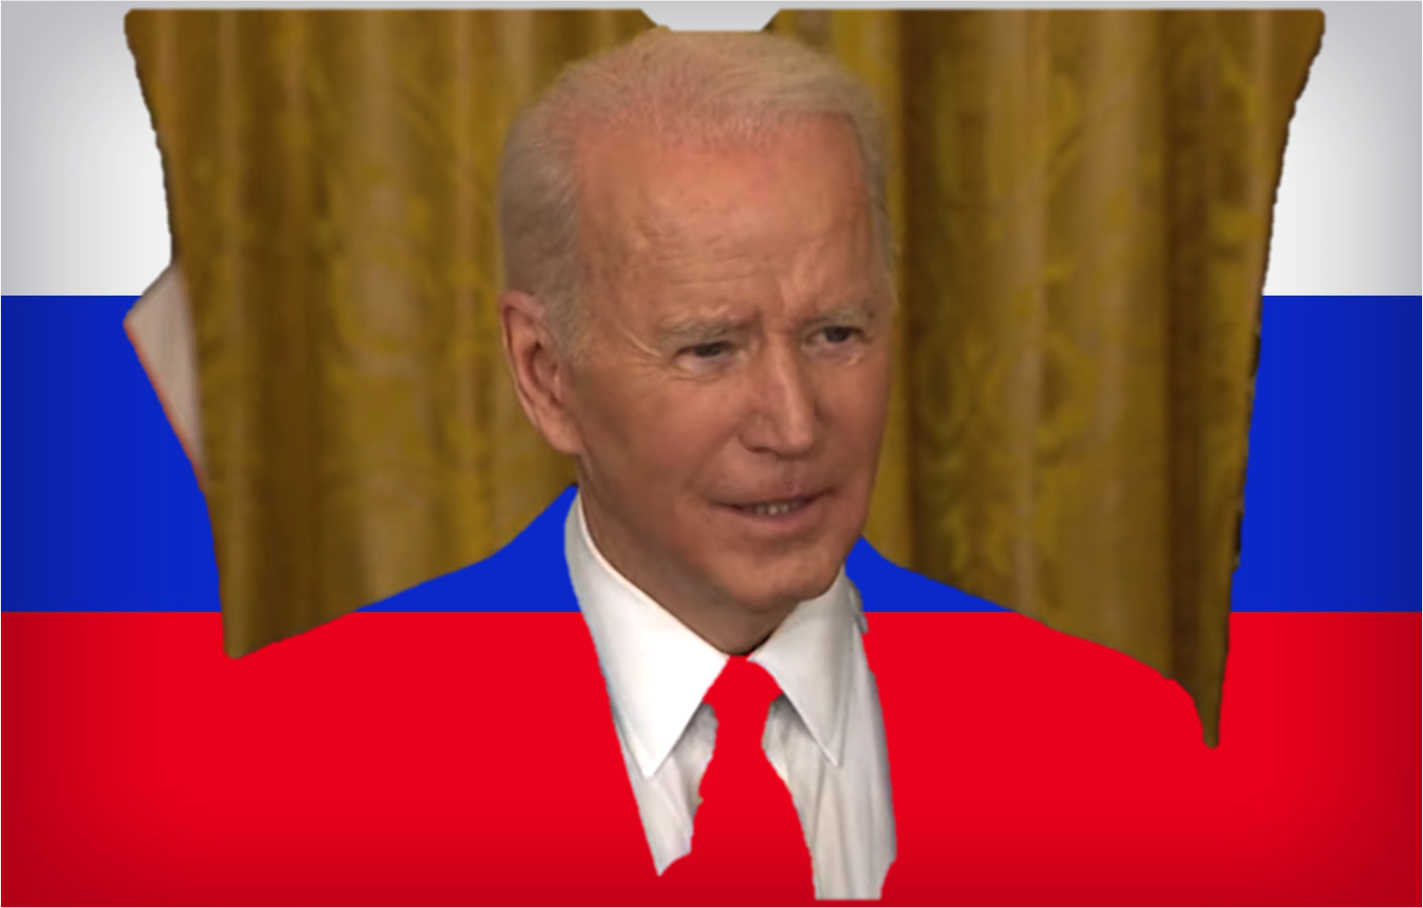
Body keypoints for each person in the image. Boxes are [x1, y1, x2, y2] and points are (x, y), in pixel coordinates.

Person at [496, 27, 897, 900]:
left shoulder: (1109, 743)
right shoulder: (302, 763)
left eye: (836, 334)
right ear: (546, 375)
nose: (793, 427)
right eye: (710, 349)